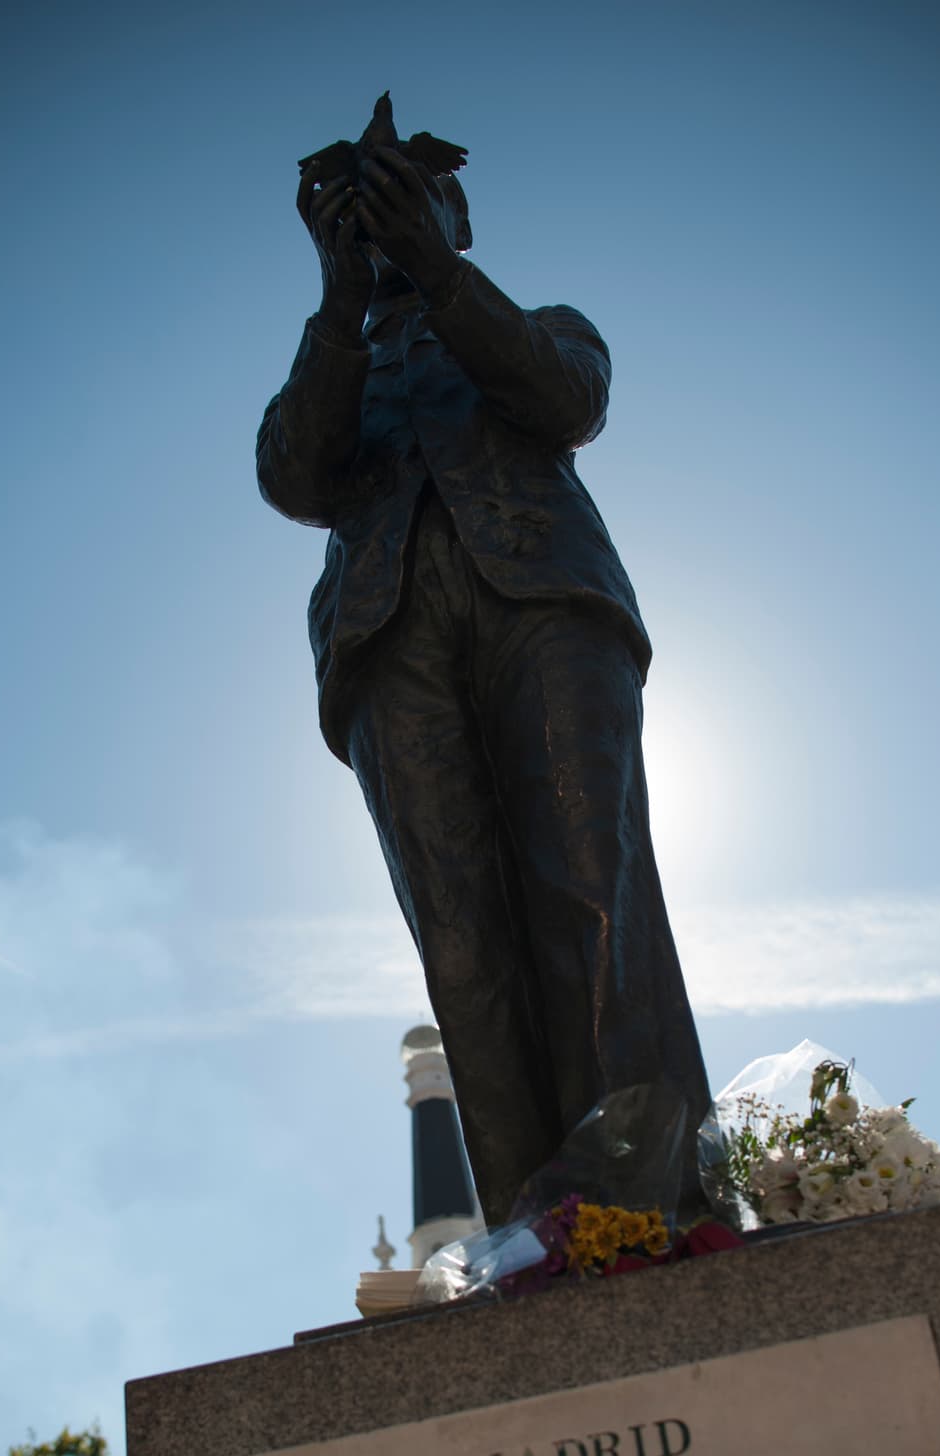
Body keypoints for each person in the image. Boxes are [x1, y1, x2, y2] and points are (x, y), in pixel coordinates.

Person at [257, 136, 713, 1228]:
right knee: (459, 943)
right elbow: (292, 475)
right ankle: (533, 1233)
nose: (399, 240)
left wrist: (440, 279)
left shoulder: (538, 324)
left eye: (419, 214)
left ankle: (648, 1203)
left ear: (454, 225)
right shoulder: (337, 370)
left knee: (589, 891)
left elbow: (564, 399)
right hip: (388, 636)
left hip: (541, 607)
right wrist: (338, 304)